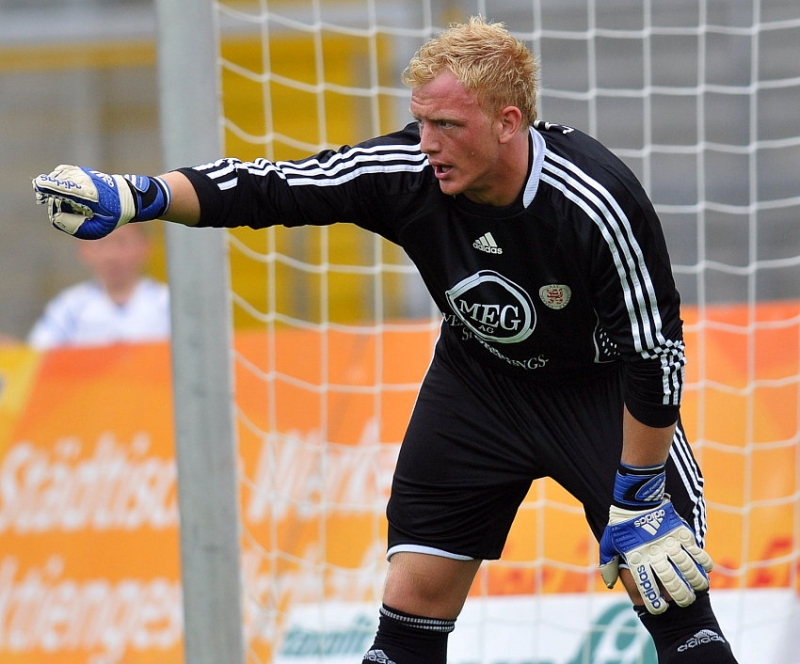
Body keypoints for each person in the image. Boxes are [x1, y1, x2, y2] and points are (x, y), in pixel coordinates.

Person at [32, 17, 738, 663]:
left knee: (669, 594)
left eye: (447, 125)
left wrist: (640, 491)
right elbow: (274, 187)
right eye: (421, 122)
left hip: (601, 391)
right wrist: (139, 196)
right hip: (480, 385)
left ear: (508, 122)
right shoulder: (407, 171)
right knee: (412, 603)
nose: (427, 143)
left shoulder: (595, 200)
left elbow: (655, 355)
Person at [27, 221, 170, 350]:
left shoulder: (167, 303)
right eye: (102, 243)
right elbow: (38, 354)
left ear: (145, 246)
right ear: (84, 249)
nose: (111, 255)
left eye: (121, 242)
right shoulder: (68, 308)